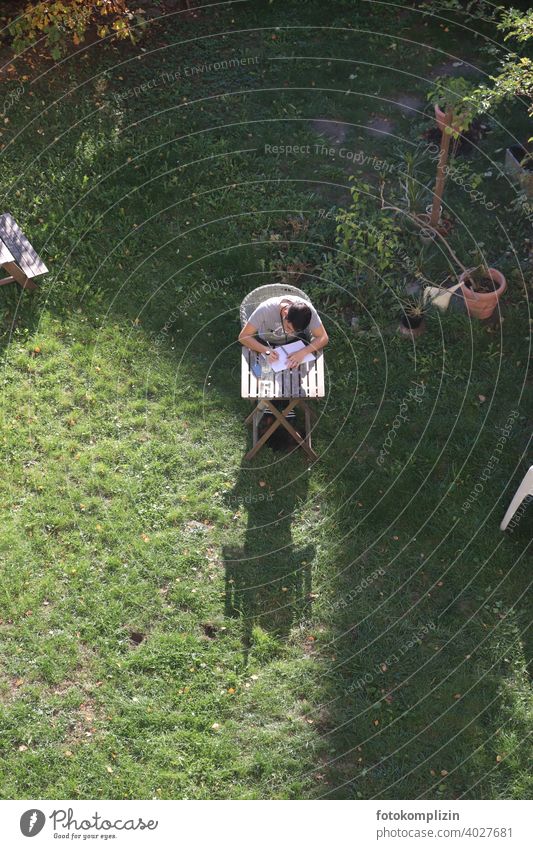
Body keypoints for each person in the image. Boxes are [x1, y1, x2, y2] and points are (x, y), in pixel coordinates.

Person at [238, 294, 328, 368]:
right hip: (266, 343)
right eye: (289, 328)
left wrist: (303, 352)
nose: (290, 333)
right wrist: (265, 350)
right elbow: (243, 336)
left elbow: (323, 338)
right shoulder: (265, 309)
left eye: (294, 331)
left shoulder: (307, 311)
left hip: (295, 343)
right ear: (285, 313)